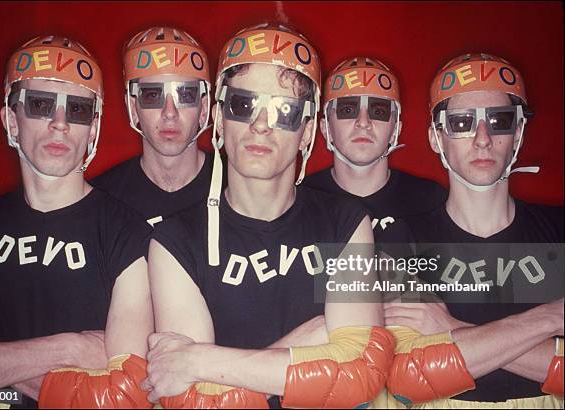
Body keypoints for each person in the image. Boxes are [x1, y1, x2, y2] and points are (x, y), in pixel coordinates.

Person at [141, 22, 394, 409]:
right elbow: (197, 401)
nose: (260, 125)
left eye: (284, 111)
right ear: (221, 118)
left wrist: (200, 360)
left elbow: (360, 374)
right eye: (245, 106)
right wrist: (315, 337)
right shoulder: (174, 241)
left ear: (308, 131)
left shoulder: (345, 222)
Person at [0, 35, 154, 408]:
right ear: (11, 120)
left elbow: (124, 399)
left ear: (92, 129)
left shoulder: (128, 233)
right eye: (41, 105)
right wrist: (74, 349)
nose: (59, 123)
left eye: (77, 110)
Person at [382, 53, 564, 408]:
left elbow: (435, 359)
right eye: (462, 123)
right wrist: (551, 318)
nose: (482, 139)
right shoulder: (398, 240)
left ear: (518, 133)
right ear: (436, 138)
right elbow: (410, 376)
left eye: (499, 121)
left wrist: (446, 329)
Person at [304, 56, 446, 236]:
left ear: (395, 130)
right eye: (348, 110)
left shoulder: (431, 201)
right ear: (325, 128)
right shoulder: (299, 200)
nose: (363, 122)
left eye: (379, 111)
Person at [91, 26, 216, 227]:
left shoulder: (239, 186)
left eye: (184, 95)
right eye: (152, 95)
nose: (169, 112)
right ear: (133, 108)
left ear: (203, 108)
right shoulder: (102, 200)